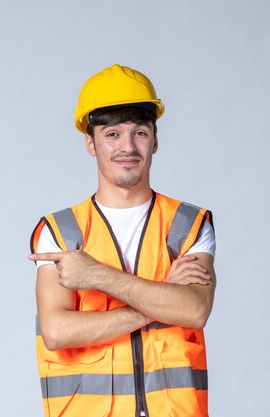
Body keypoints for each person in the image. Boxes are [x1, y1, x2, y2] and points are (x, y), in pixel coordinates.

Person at [28, 64, 216, 417]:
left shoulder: (187, 225)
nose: (127, 147)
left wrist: (96, 275)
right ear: (91, 143)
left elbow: (194, 309)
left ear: (155, 140)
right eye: (112, 134)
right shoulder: (61, 230)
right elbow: (57, 330)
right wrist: (162, 299)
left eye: (140, 132)